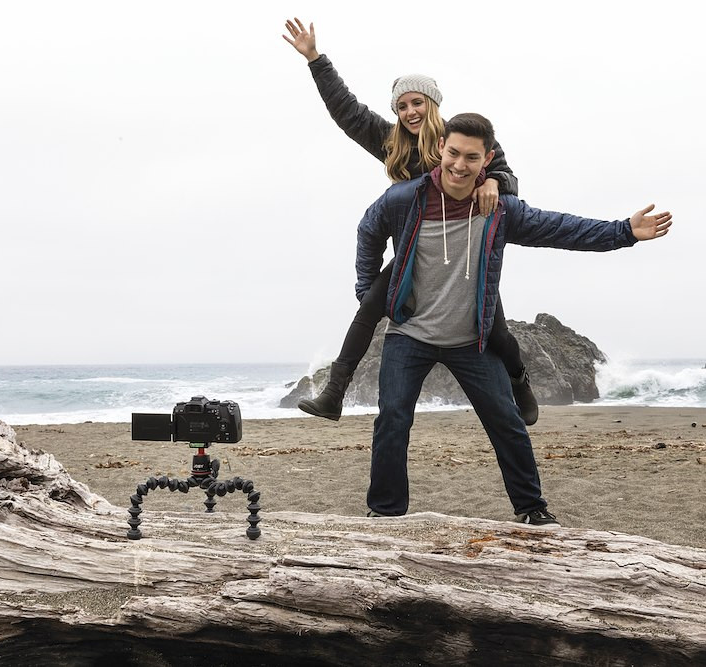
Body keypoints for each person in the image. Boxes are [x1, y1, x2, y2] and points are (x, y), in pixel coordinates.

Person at [358, 113, 672, 524]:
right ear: (440, 149)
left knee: (506, 422)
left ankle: (531, 509)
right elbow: (368, 230)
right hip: (409, 334)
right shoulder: (405, 199)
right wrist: (368, 294)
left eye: (472, 157)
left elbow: (562, 229)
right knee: (393, 419)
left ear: (486, 160)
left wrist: (624, 231)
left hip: (471, 338)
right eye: (454, 153)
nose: (459, 165)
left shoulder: (499, 209)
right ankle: (385, 513)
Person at [282, 17, 539, 425]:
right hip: (413, 254)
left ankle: (519, 380)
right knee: (369, 305)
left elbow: (510, 181)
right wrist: (315, 59)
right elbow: (347, 111)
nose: (409, 112)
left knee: (496, 331)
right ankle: (334, 393)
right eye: (401, 106)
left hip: (466, 255)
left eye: (416, 103)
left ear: (432, 103)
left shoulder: (462, 138)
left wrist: (494, 181)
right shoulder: (391, 144)